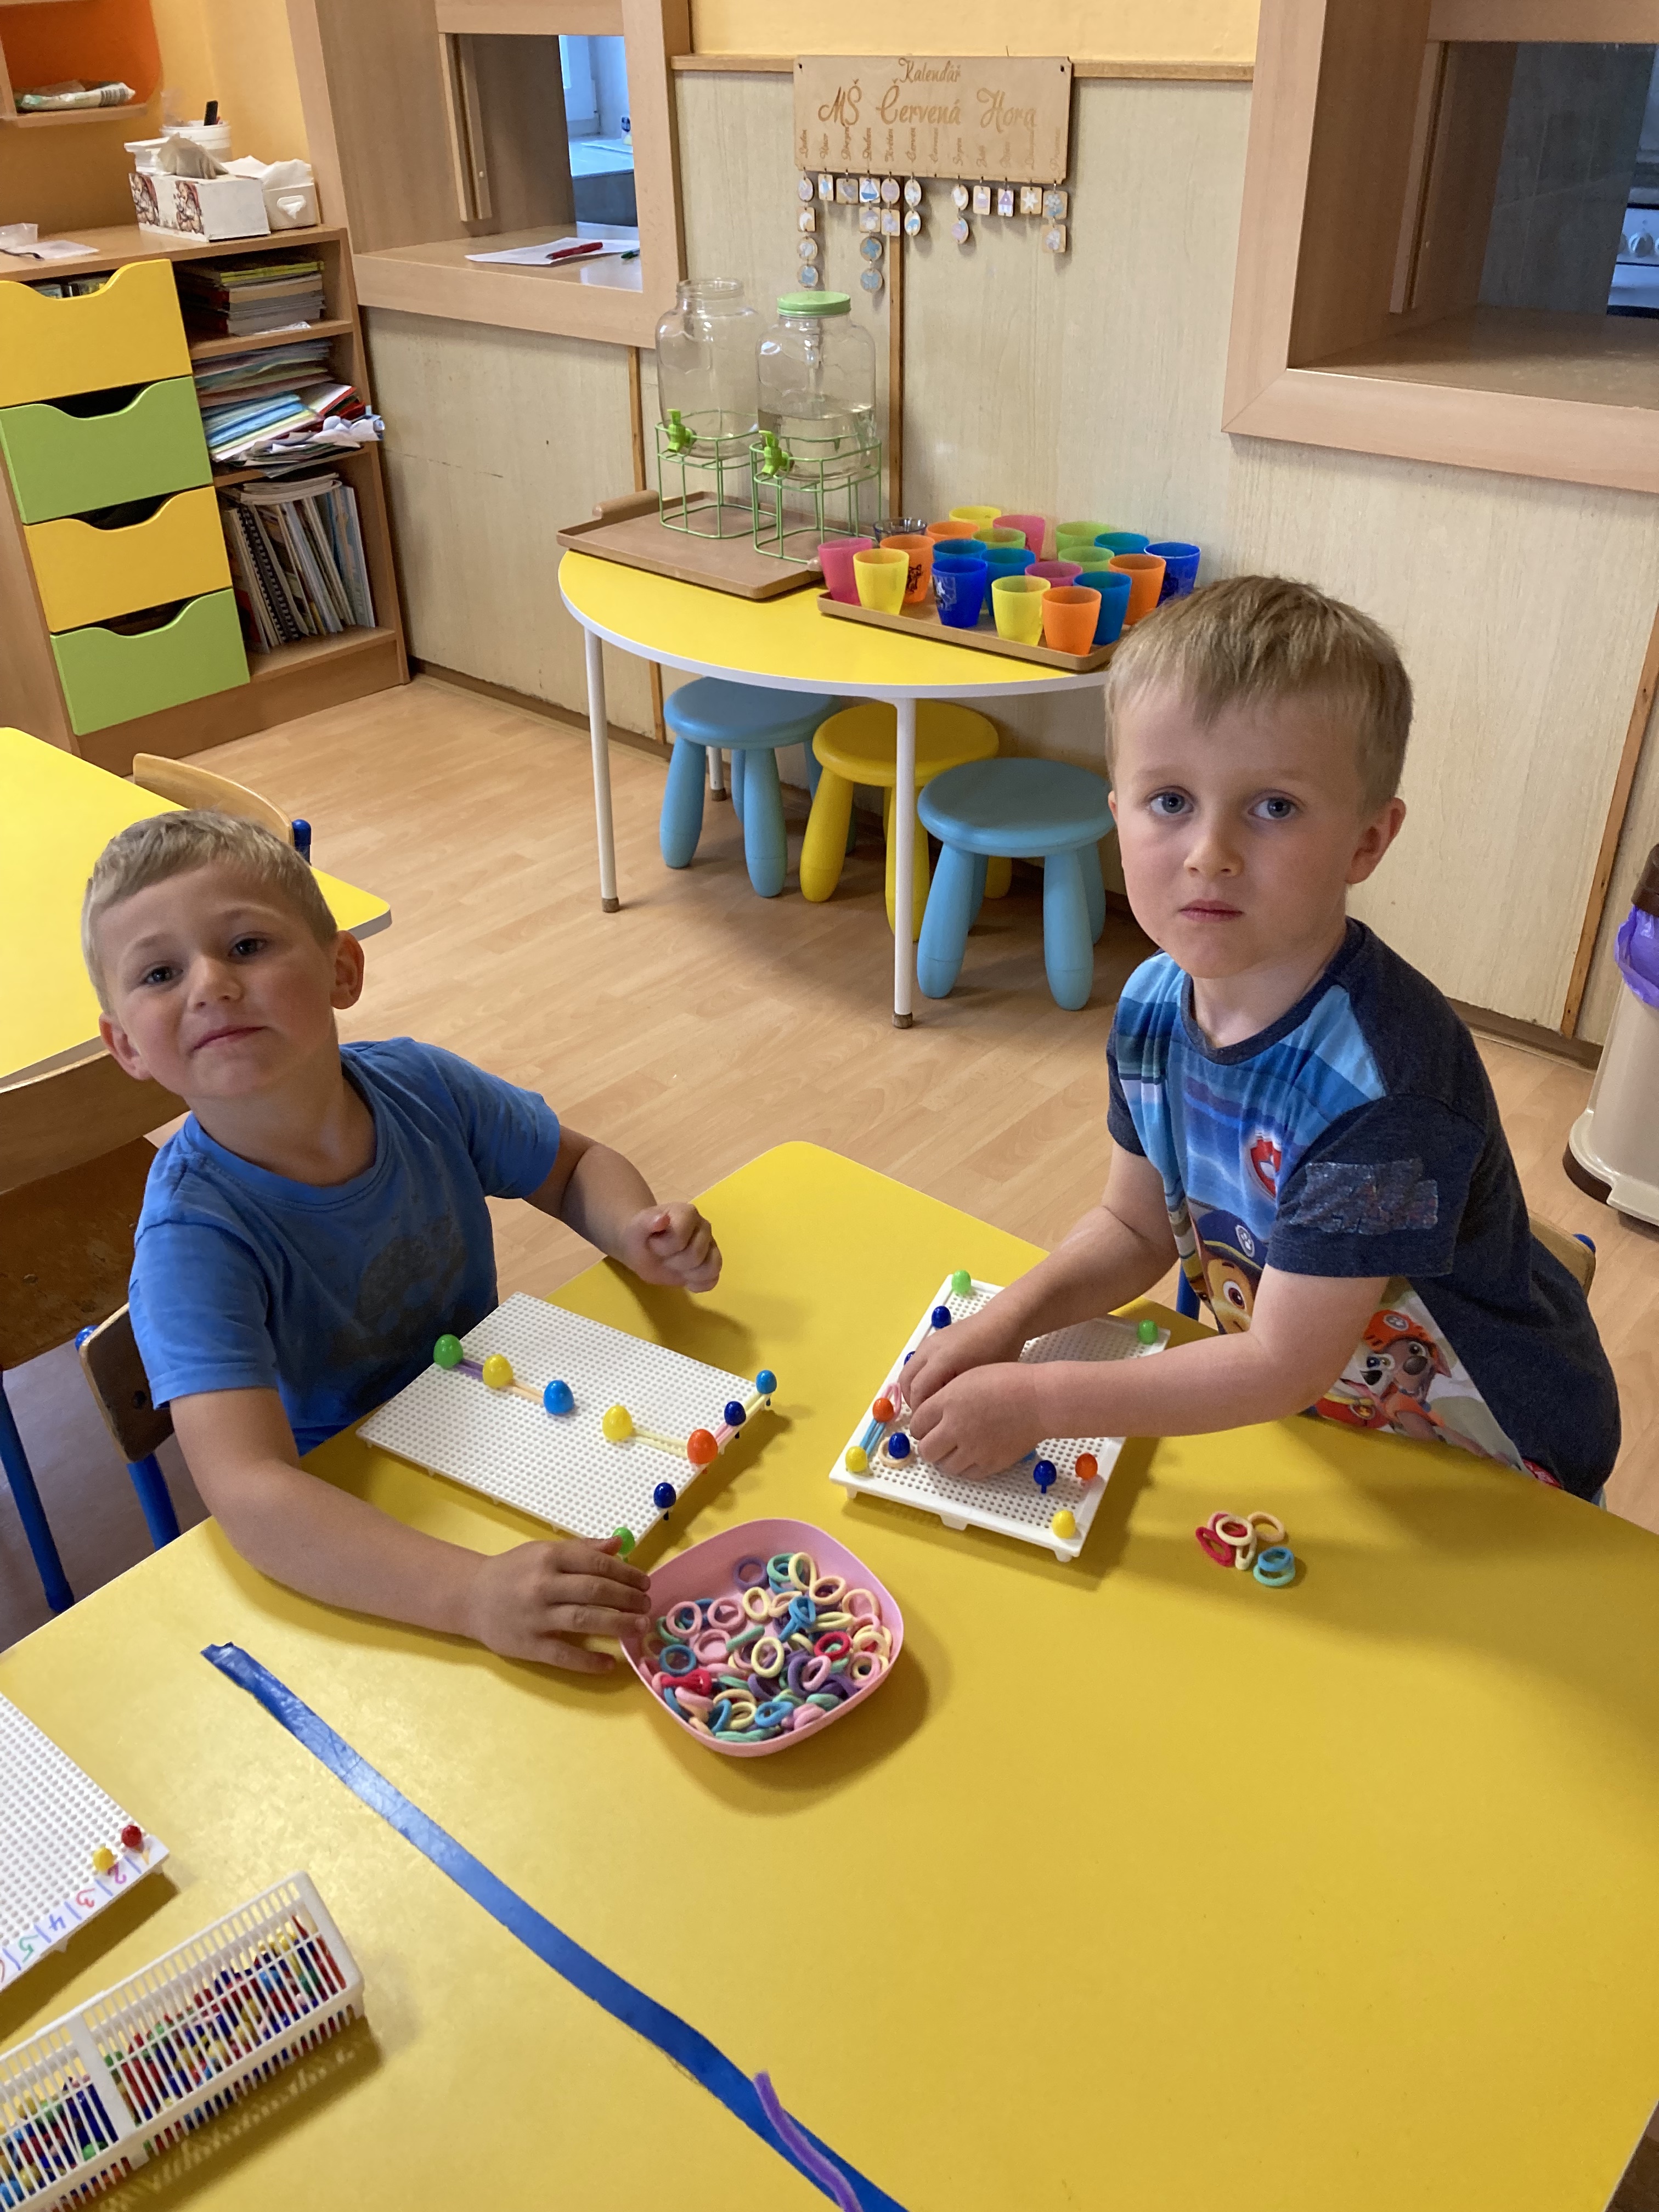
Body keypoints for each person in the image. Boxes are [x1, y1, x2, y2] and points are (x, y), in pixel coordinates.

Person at [903, 575, 1618, 1500]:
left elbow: (1283, 1364)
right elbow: (1132, 1226)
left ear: (1366, 842)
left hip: (1491, 1452)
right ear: (1117, 813)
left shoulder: (1381, 1091)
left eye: (1274, 807)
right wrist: (1009, 1320)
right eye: (1170, 801)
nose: (1211, 854)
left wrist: (1041, 1399)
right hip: (1317, 1411)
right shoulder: (1153, 1005)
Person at [83, 810, 723, 1669]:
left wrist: (635, 1230)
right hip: (363, 1535)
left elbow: (574, 1167)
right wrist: (469, 1594)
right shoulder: (191, 1241)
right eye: (160, 973)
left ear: (341, 969)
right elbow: (251, 1492)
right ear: (125, 1045)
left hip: (503, 1434)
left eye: (246, 946)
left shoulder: (424, 1086)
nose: (211, 986)